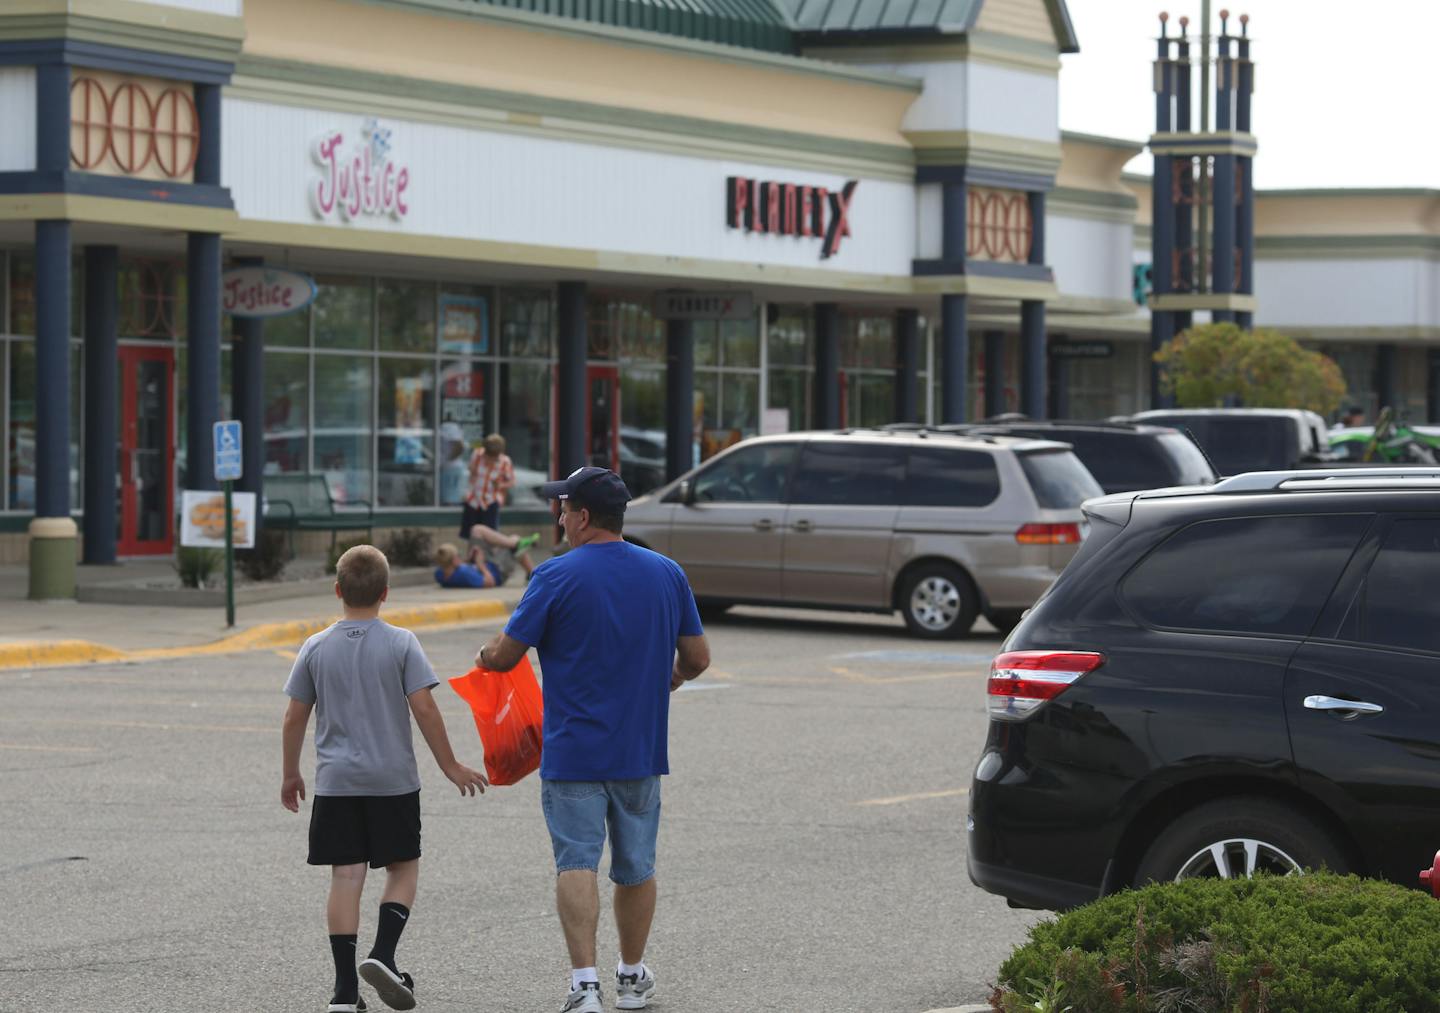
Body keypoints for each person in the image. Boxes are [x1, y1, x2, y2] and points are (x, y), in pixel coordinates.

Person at [474, 467, 710, 1013]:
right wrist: (671, 675)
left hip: (573, 751)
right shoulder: (667, 572)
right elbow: (698, 659)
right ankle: (631, 977)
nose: (557, 516)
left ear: (582, 517)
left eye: (562, 508)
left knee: (575, 863)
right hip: (639, 751)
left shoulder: (555, 576)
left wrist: (487, 654)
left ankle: (585, 987)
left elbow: (506, 655)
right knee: (636, 868)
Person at [281, 544, 489, 1013]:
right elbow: (424, 707)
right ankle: (384, 955)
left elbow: (294, 717)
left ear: (338, 591)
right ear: (386, 594)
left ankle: (342, 992)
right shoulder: (401, 643)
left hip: (336, 783)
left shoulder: (315, 646)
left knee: (346, 876)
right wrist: (450, 765)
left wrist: (291, 772)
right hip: (392, 781)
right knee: (402, 867)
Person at [433, 528, 539, 589]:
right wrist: (481, 565)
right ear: (454, 561)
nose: (460, 558)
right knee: (517, 547)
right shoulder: (464, 573)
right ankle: (534, 577)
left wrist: (469, 560)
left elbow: (453, 568)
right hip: (497, 571)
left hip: (485, 563)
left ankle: (514, 543)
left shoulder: (440, 573)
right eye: (458, 556)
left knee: (477, 530)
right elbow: (490, 582)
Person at [461, 433, 515, 539]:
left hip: (490, 501)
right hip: (473, 500)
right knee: (471, 535)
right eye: (487, 456)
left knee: (490, 536)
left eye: (492, 458)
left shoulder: (505, 462)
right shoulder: (477, 455)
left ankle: (488, 555)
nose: (489, 460)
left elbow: (512, 481)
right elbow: (470, 473)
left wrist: (500, 485)